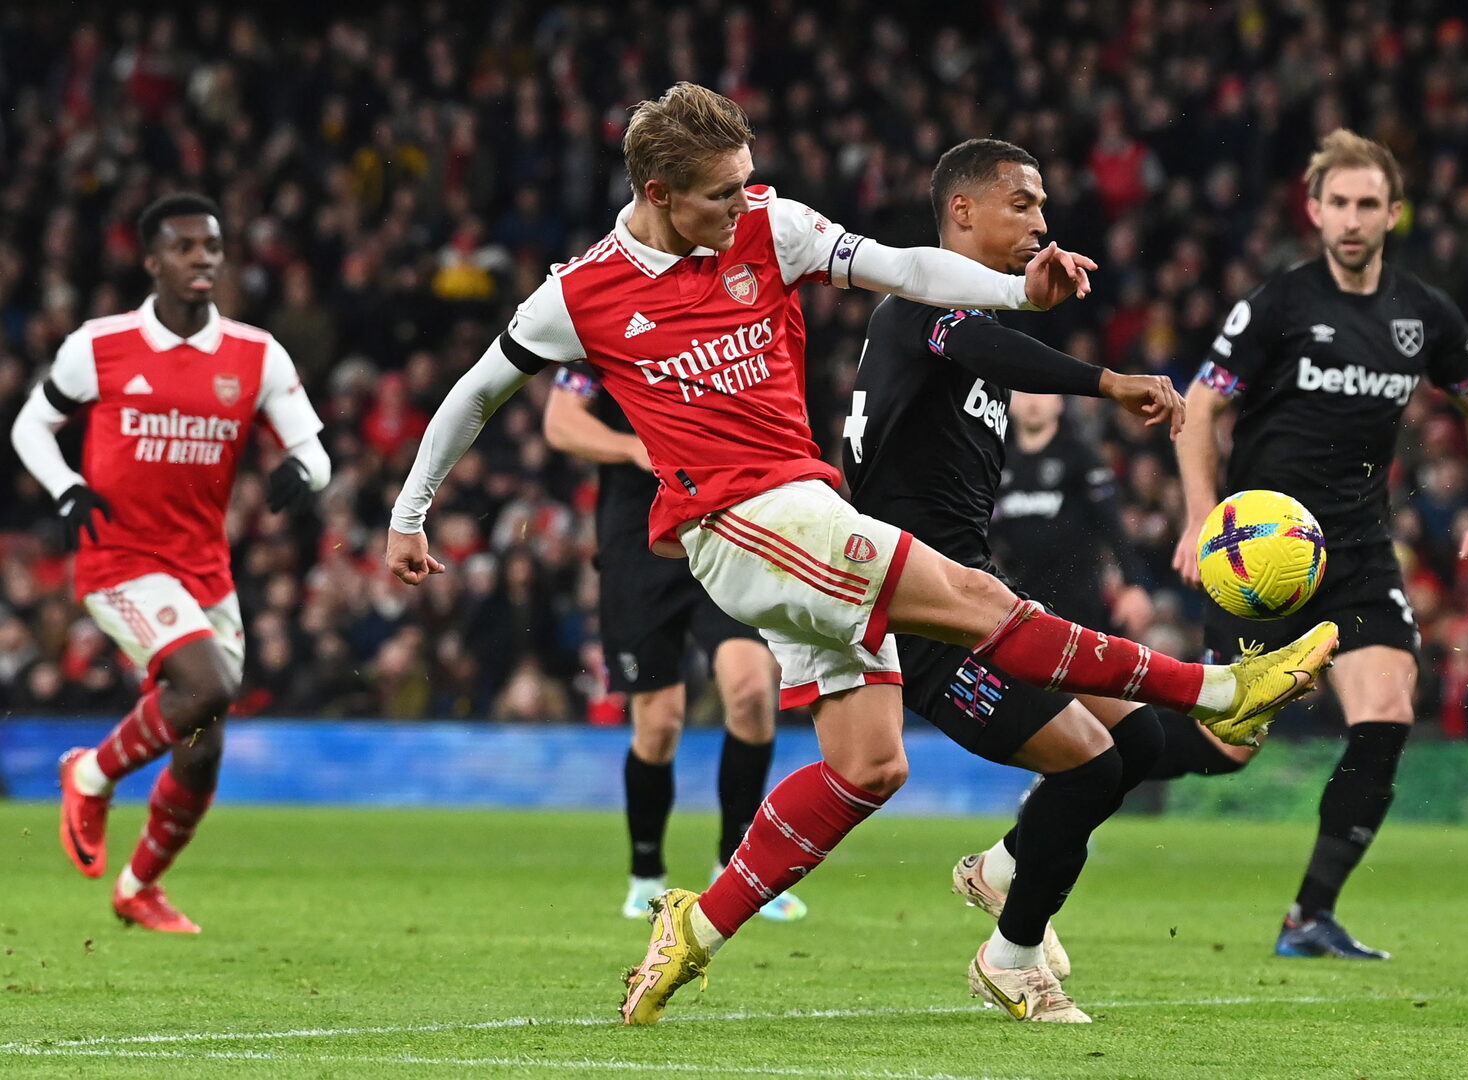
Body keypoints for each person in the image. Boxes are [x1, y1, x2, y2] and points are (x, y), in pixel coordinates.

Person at [383, 83, 1336, 1025]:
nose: (742, 203)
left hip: (806, 511)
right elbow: (477, 392)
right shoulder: (581, 292)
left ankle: (693, 927)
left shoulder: (771, 226)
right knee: (976, 602)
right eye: (721, 192)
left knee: (869, 767)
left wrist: (1017, 291)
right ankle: (1218, 688)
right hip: (735, 521)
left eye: (746, 181)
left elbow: (905, 269)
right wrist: (410, 512)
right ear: (659, 192)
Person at [843, 137, 1190, 1021]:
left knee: (1140, 742)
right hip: (921, 612)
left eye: (1042, 206)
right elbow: (993, 353)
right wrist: (1108, 382)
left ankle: (1001, 868)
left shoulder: (961, 319)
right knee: (1089, 765)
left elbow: (988, 350)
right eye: (1022, 203)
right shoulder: (922, 297)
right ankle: (1011, 958)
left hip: (974, 594)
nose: (1040, 221)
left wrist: (1029, 300)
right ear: (961, 210)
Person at [1165, 130, 1468, 960]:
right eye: (1339, 204)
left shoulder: (1421, 314)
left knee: (1387, 710)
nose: (1352, 219)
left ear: (1392, 214)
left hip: (1356, 551)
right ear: (1314, 210)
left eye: (1368, 204)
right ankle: (1078, 768)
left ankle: (1308, 917)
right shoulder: (1278, 305)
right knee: (1227, 746)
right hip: (1263, 558)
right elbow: (1201, 405)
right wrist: (1201, 520)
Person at [10, 193, 330, 932]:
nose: (202, 259)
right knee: (209, 684)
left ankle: (138, 887)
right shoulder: (99, 345)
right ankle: (90, 774)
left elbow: (313, 451)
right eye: (185, 247)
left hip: (204, 569)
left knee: (202, 747)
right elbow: (32, 424)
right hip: (119, 558)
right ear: (153, 261)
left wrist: (303, 473)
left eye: (211, 246)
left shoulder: (255, 355)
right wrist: (66, 489)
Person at [543, 364, 806, 922]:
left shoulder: (727, 326)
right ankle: (646, 875)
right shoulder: (601, 333)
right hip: (638, 546)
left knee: (752, 692)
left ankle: (738, 869)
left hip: (722, 528)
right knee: (659, 724)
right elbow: (561, 423)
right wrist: (633, 447)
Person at [991, 391, 1154, 638]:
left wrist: (1134, 584)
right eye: (1024, 391)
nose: (1033, 400)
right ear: (1009, 402)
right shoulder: (998, 463)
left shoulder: (1081, 457)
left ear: (1059, 402)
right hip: (1018, 601)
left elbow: (1112, 523)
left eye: (1043, 391)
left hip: (1079, 603)